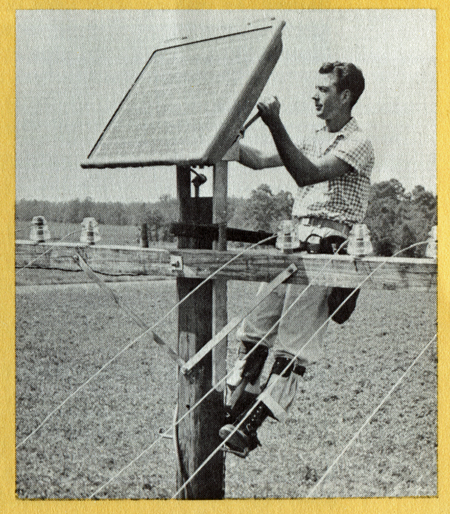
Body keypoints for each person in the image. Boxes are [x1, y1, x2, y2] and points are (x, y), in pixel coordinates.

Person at [219, 62, 375, 456]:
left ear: (345, 96)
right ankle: (232, 410)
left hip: (328, 244)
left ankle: (250, 428)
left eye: (324, 89)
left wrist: (275, 124)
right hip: (295, 237)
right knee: (256, 326)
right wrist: (226, 140)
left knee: (293, 343)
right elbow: (256, 159)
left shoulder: (357, 143)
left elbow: (306, 174)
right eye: (316, 87)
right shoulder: (313, 135)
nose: (315, 95)